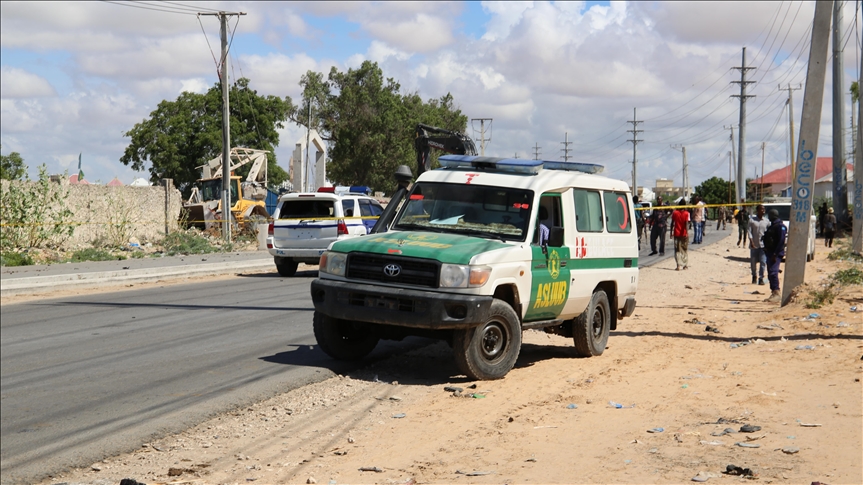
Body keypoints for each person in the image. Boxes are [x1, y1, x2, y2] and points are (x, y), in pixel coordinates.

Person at [763, 209, 787, 303]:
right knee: (770, 273)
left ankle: (777, 293)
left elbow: (781, 241)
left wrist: (775, 254)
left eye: (769, 215)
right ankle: (773, 292)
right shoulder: (772, 225)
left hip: (775, 253)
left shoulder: (780, 226)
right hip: (770, 252)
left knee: (773, 273)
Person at [747, 204, 769, 285]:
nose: (763, 211)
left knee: (763, 262)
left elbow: (768, 233)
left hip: (763, 246)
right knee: (753, 262)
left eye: (764, 209)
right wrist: (751, 241)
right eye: (761, 209)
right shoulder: (752, 220)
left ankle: (761, 278)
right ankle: (754, 276)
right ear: (757, 210)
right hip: (754, 245)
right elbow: (749, 231)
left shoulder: (767, 221)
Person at [671, 203, 690, 270]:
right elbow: (686, 223)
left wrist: (671, 232)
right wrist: (687, 233)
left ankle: (678, 265)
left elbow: (672, 223)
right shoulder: (687, 213)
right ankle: (685, 265)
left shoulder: (675, 213)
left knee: (677, 250)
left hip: (676, 233)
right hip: (684, 234)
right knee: (684, 249)